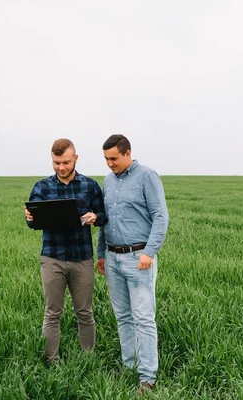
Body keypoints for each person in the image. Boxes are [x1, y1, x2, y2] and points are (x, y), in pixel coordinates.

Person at [96, 134, 169, 392]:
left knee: (143, 318)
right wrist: (101, 254)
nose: (109, 164)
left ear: (127, 153)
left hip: (139, 258)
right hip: (113, 257)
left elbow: (161, 216)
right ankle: (130, 366)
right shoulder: (107, 180)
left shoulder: (147, 176)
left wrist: (150, 252)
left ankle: (147, 378)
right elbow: (104, 220)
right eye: (106, 159)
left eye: (114, 158)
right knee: (123, 316)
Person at [24, 138, 107, 365]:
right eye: (56, 162)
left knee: (85, 313)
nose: (61, 167)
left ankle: (87, 359)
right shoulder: (41, 187)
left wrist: (95, 217)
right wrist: (30, 217)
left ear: (76, 158)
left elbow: (103, 216)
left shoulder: (90, 186)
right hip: (52, 258)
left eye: (66, 162)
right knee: (52, 313)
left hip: (82, 259)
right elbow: (32, 223)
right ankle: (52, 361)